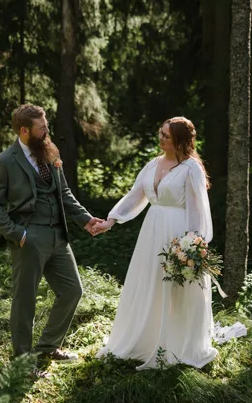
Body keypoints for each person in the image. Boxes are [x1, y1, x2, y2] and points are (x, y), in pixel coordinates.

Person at [0, 104, 105, 369]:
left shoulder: (49, 152)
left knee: (72, 290)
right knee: (25, 300)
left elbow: (64, 194)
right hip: (29, 237)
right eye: (42, 127)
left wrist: (86, 220)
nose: (47, 130)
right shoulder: (4, 161)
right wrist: (19, 234)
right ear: (25, 131)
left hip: (57, 236)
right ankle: (22, 362)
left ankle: (48, 347)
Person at [93, 116, 218, 370]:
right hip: (152, 231)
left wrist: (194, 243)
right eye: (160, 133)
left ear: (180, 141)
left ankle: (176, 343)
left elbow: (199, 209)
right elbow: (135, 195)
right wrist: (111, 220)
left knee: (176, 289)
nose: (160, 138)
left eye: (166, 136)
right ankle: (146, 338)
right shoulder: (153, 164)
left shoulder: (191, 168)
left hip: (178, 232)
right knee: (149, 281)